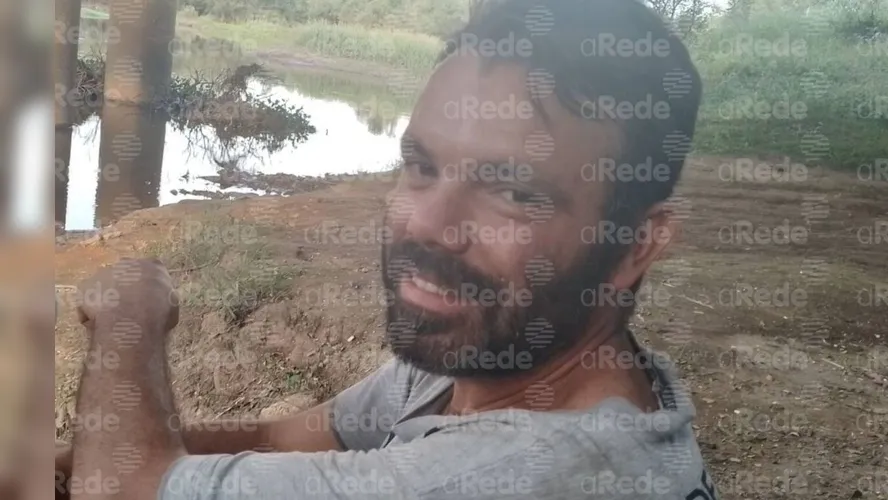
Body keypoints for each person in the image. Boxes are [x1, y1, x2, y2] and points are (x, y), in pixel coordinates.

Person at [59, 0, 715, 498]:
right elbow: (282, 437)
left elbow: (127, 491)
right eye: (422, 167)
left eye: (514, 193)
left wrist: (129, 318)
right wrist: (71, 458)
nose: (428, 225)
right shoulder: (497, 346)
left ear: (638, 244)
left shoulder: (535, 472)